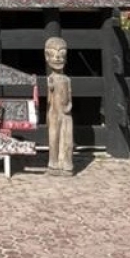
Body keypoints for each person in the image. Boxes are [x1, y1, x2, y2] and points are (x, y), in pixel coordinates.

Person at [45, 36, 74, 175]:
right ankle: (53, 163)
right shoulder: (50, 78)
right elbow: (49, 99)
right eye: (53, 54)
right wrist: (50, 88)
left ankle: (67, 163)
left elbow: (69, 94)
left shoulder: (67, 79)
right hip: (54, 112)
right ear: (47, 57)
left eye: (61, 54)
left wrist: (69, 105)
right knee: (54, 138)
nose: (57, 58)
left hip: (66, 113)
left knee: (67, 139)